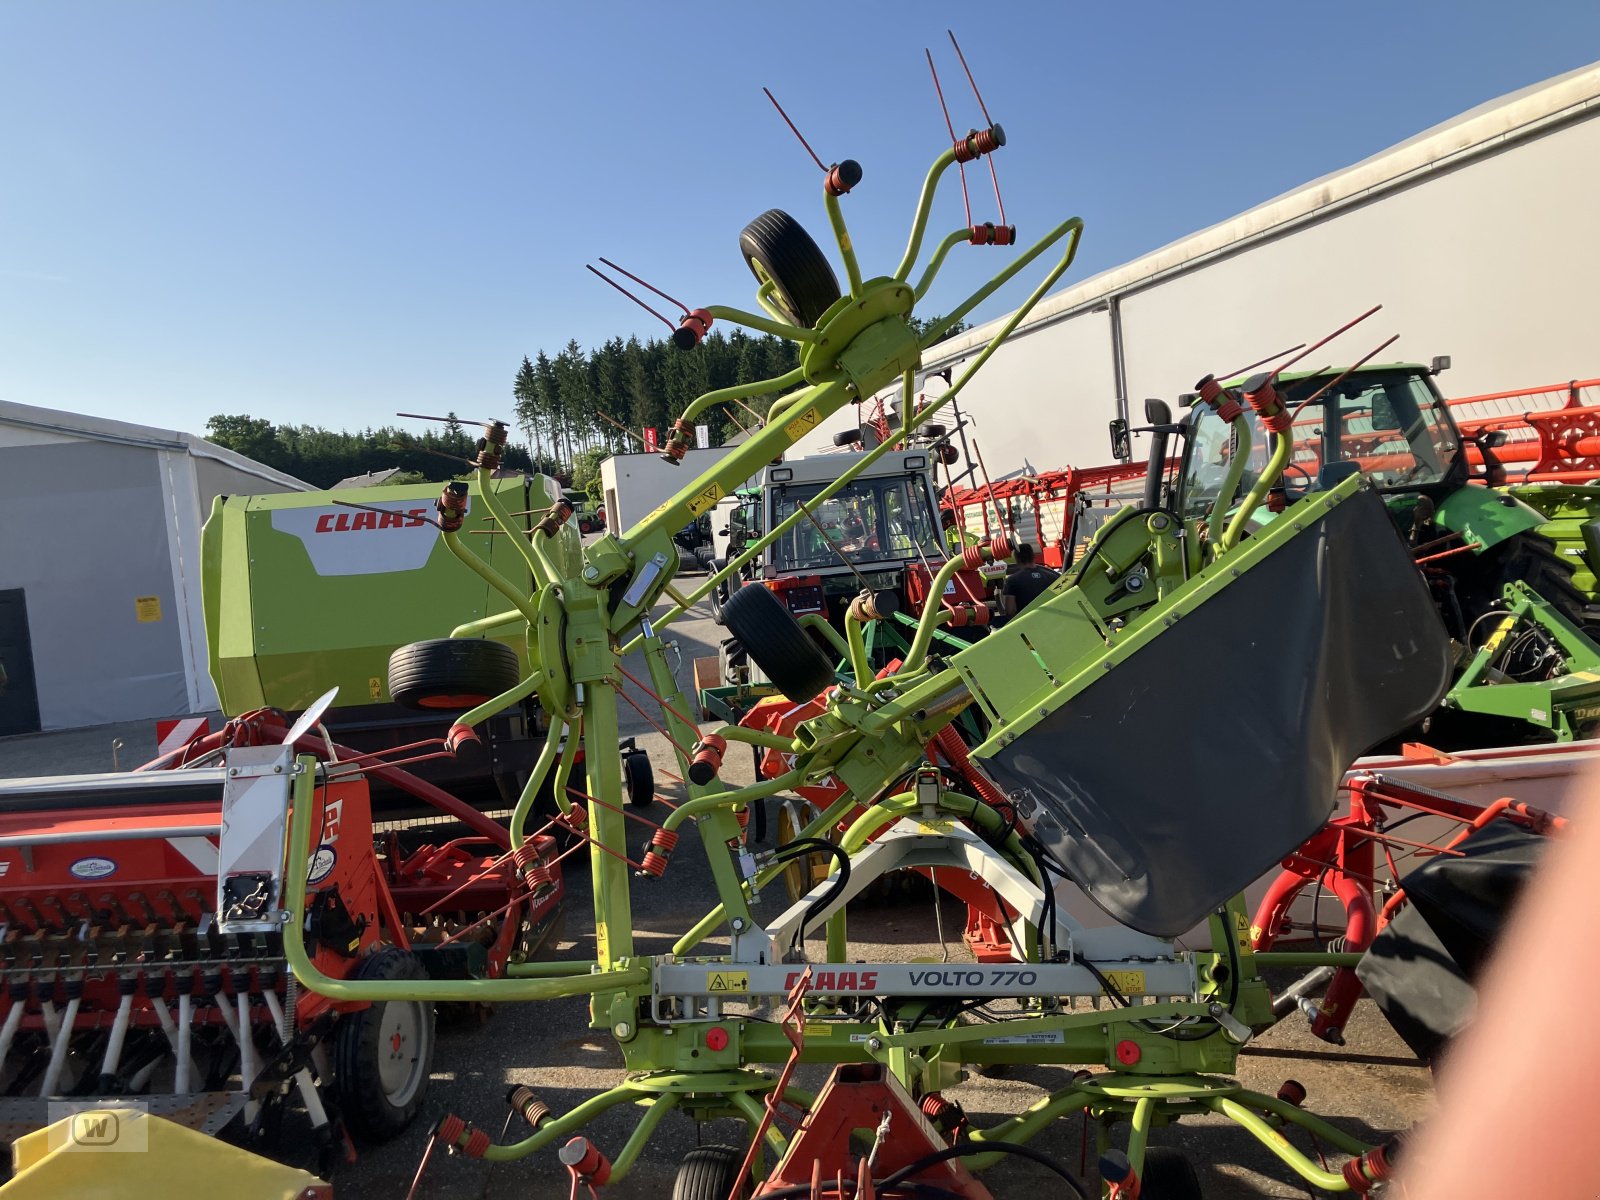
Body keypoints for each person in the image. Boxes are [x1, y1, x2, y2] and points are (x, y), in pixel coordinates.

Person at [1001, 542, 1058, 618]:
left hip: (1028, 624)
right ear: (1033, 556)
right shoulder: (1053, 576)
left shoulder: (1012, 580)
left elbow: (1010, 610)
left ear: (1017, 559)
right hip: (1052, 620)